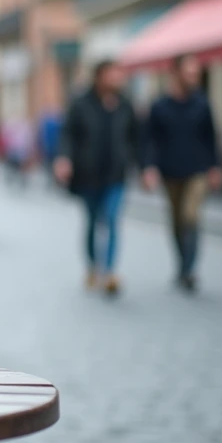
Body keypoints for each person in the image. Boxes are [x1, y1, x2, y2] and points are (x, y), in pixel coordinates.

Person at [54, 61, 141, 295]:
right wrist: (64, 159)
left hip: (116, 174)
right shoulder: (81, 103)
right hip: (88, 175)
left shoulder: (125, 104)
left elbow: (136, 137)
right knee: (93, 221)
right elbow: (68, 134)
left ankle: (110, 272)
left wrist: (145, 166)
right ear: (100, 76)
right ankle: (93, 266)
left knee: (112, 219)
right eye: (112, 74)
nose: (117, 79)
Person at [142, 54, 222, 293]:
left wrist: (215, 167)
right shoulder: (159, 106)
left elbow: (211, 137)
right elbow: (148, 140)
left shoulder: (202, 104)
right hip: (170, 171)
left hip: (197, 170)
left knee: (191, 215)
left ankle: (189, 269)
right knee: (177, 222)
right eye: (189, 73)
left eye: (196, 74)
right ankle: (182, 265)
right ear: (176, 74)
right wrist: (148, 167)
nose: (194, 78)